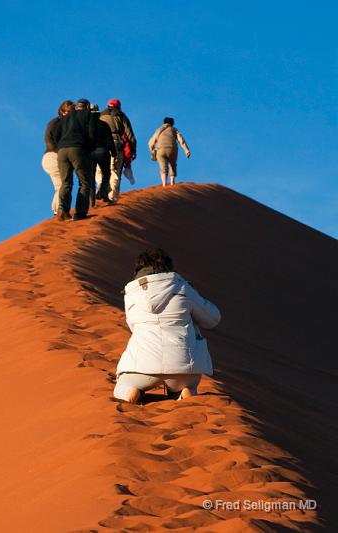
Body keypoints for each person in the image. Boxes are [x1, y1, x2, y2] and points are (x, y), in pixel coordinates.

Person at [113, 248, 221, 404]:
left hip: (142, 368)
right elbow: (213, 319)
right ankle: (185, 392)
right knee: (185, 384)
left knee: (122, 387)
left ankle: (132, 391)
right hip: (184, 369)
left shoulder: (131, 294)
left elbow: (132, 327)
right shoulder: (183, 288)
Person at [51, 98, 96, 221]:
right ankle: (80, 213)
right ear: (86, 107)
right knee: (84, 183)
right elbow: (92, 134)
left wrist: (61, 146)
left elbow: (55, 135)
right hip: (79, 149)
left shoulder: (64, 118)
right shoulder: (88, 115)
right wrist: (89, 148)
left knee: (66, 183)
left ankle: (63, 211)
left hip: (62, 151)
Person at [99, 99, 137, 202]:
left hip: (101, 145)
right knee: (116, 170)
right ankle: (112, 196)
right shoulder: (121, 116)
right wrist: (133, 149)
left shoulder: (100, 115)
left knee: (102, 170)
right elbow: (129, 134)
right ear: (118, 106)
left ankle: (103, 190)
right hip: (116, 144)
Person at [41, 100, 74, 214]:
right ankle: (60, 210)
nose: (70, 114)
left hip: (55, 156)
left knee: (61, 185)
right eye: (68, 111)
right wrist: (60, 152)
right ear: (63, 111)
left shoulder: (67, 125)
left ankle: (57, 211)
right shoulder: (56, 122)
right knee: (63, 184)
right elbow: (49, 138)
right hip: (52, 156)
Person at [148, 117, 191, 186]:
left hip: (160, 149)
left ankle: (164, 184)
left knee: (163, 167)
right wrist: (186, 150)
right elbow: (181, 140)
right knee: (173, 165)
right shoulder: (174, 129)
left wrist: (153, 152)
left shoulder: (158, 130)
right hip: (172, 149)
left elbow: (150, 143)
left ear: (163, 123)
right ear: (172, 123)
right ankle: (172, 182)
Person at [89, 103, 117, 206]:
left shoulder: (85, 126)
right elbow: (110, 141)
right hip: (103, 151)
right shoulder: (104, 124)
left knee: (91, 177)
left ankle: (92, 201)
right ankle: (104, 195)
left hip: (89, 153)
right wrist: (114, 154)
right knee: (106, 174)